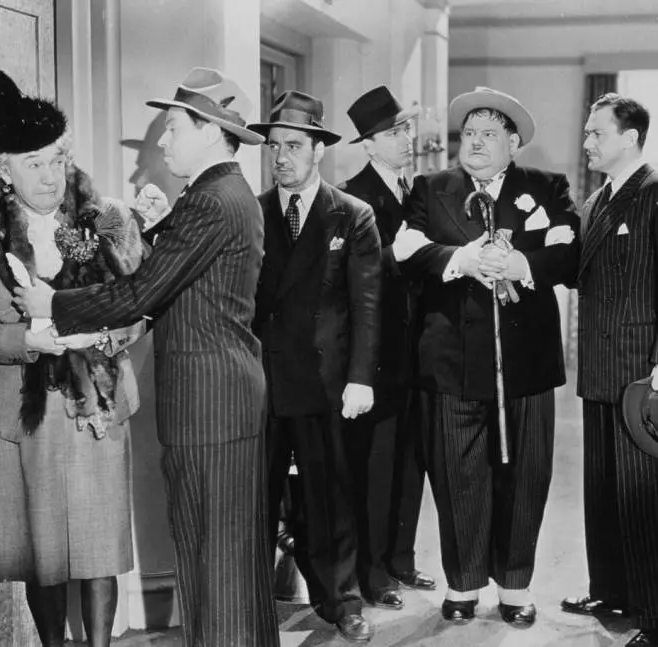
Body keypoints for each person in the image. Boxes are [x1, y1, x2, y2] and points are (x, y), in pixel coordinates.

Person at [15, 67, 279, 647]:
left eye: (173, 127)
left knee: (214, 563)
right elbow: (187, 287)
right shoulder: (224, 194)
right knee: (229, 562)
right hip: (222, 397)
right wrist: (155, 232)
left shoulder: (212, 200)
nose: (163, 142)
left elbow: (142, 293)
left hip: (210, 403)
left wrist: (52, 302)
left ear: (210, 131)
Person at [0, 70, 145, 647]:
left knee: (99, 547)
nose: (50, 175)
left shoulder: (107, 216)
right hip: (24, 414)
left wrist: (102, 337)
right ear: (2, 169)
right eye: (33, 163)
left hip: (96, 407)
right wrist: (27, 342)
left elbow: (140, 306)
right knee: (44, 555)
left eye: (57, 159)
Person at [406, 86, 579, 627]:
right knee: (457, 477)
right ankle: (463, 584)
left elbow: (568, 253)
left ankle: (515, 586)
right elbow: (406, 252)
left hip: (526, 365)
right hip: (451, 361)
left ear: (513, 143)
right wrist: (460, 257)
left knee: (524, 477)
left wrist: (521, 266)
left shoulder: (546, 188)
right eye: (469, 134)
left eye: (489, 134)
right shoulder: (430, 188)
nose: (476, 143)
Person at [247, 90, 381, 643]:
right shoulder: (252, 213)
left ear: (318, 150)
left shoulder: (352, 214)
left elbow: (367, 305)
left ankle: (340, 599)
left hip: (327, 383)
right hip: (261, 381)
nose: (281, 157)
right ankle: (252, 604)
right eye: (274, 146)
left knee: (330, 496)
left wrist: (361, 378)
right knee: (257, 498)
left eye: (294, 146)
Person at [562, 93, 658, 647]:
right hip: (600, 370)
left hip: (641, 375)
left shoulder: (654, 191)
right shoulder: (598, 200)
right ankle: (611, 591)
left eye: (597, 133)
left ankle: (652, 614)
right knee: (601, 491)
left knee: (642, 497)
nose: (587, 143)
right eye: (587, 132)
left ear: (630, 137)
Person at [339, 85, 436, 610]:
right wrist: (394, 257)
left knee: (410, 461)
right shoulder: (352, 197)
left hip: (419, 353)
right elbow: (350, 279)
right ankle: (372, 572)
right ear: (370, 144)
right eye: (395, 132)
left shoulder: (417, 192)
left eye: (406, 129)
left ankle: (401, 558)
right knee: (375, 467)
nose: (406, 139)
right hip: (378, 357)